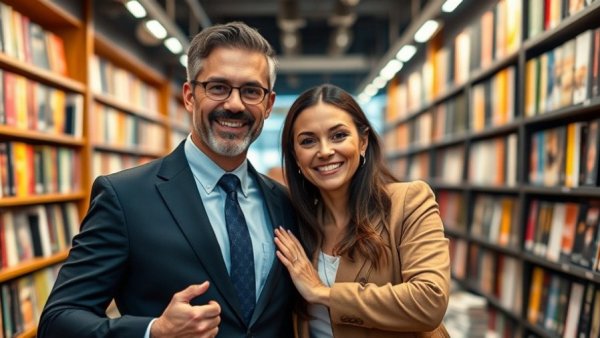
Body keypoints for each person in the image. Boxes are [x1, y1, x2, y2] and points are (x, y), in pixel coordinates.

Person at [38, 22, 297, 338]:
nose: (234, 104)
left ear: (268, 104)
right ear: (189, 96)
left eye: (251, 91)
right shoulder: (125, 197)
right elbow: (58, 321)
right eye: (217, 87)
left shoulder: (284, 202)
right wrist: (153, 331)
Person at [274, 84, 451, 338]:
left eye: (338, 136)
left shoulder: (408, 202)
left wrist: (322, 292)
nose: (324, 151)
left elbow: (429, 301)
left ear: (363, 142)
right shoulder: (294, 221)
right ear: (296, 156)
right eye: (308, 141)